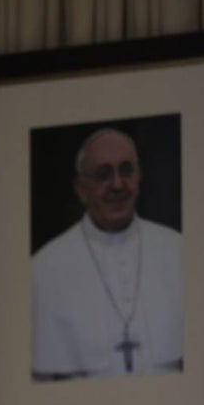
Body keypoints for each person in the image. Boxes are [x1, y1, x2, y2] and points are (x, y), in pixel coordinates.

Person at [31, 127, 184, 381]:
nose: (117, 184)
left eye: (126, 170)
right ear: (81, 189)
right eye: (103, 174)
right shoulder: (42, 270)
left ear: (139, 177)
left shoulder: (180, 250)